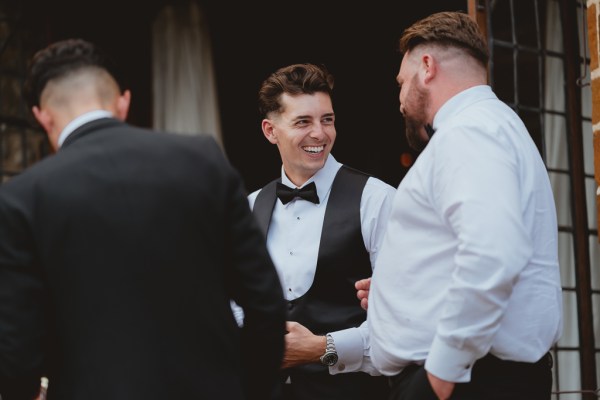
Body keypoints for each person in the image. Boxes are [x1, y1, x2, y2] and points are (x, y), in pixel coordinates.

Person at [0, 38, 287, 400]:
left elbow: (16, 350)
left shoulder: (21, 199)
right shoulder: (202, 160)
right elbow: (265, 302)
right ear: (123, 102)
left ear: (43, 116)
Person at [357, 11, 563, 400]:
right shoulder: (491, 126)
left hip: (468, 382)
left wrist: (440, 374)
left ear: (427, 68)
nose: (400, 100)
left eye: (401, 82)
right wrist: (398, 290)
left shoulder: (469, 132)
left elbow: (492, 252)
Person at [234, 63, 395, 400]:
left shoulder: (376, 200)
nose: (320, 134)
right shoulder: (248, 208)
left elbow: (401, 327)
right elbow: (233, 303)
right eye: (303, 122)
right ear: (270, 130)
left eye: (327, 119)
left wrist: (323, 349)